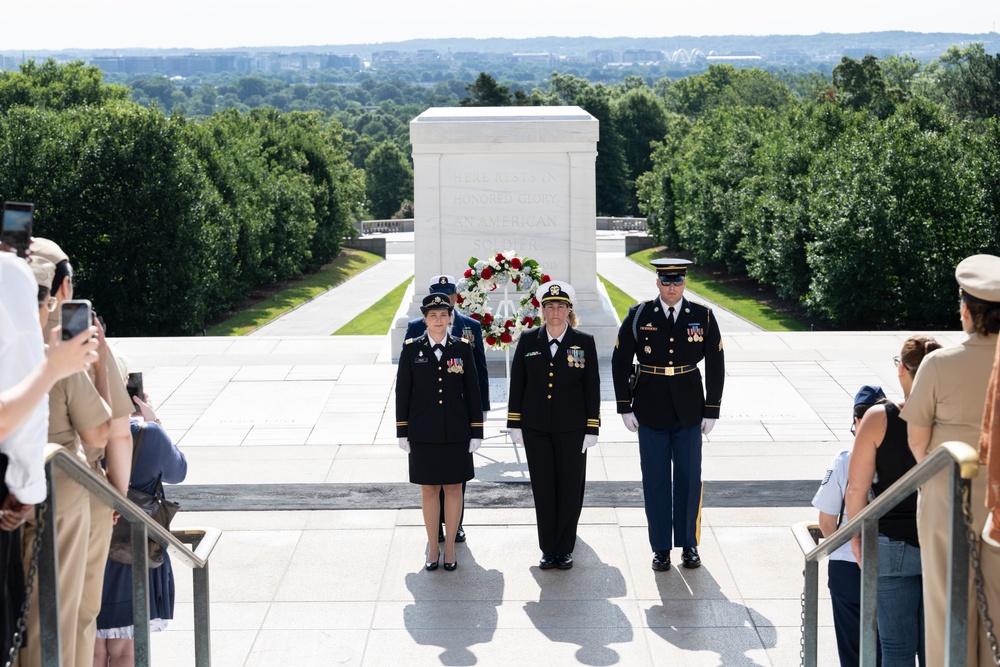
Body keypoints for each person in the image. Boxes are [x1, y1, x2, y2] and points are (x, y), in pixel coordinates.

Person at [32, 237, 136, 666]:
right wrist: (118, 494)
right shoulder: (73, 331)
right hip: (74, 487)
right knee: (75, 615)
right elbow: (112, 432)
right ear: (63, 286)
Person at [902, 254, 1000, 667]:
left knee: (947, 604)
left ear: (966, 310)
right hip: (997, 499)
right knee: (996, 606)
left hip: (947, 498)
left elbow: (918, 444)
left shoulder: (938, 364)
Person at [19, 254, 112, 667]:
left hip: (16, 490)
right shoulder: (54, 357)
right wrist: (100, 363)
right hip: (60, 489)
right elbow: (101, 432)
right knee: (57, 614)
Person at [611, 258, 725, 571]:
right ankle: (661, 547)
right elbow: (620, 360)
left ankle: (689, 544)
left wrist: (712, 408)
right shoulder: (639, 315)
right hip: (650, 407)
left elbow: (716, 364)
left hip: (689, 409)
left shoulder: (702, 316)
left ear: (684, 283)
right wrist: (624, 405)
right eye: (666, 281)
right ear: (657, 283)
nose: (671, 288)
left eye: (677, 282)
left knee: (689, 480)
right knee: (656, 481)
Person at [848, 338, 940, 667]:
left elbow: (856, 489)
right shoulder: (949, 418)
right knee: (936, 651)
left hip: (890, 545)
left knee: (896, 649)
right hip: (940, 543)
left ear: (901, 368)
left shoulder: (877, 417)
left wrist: (857, 537)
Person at [95, 358, 187, 667]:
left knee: (90, 649)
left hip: (88, 548)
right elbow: (178, 472)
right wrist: (155, 421)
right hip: (135, 551)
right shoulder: (149, 435)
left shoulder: (78, 432)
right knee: (125, 652)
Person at [506, 281, 600, 570]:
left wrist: (592, 427)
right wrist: (515, 422)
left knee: (570, 489)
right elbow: (518, 383)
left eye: (561, 306)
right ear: (542, 310)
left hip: (572, 429)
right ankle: (548, 549)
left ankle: (565, 548)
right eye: (550, 306)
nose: (555, 311)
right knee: (544, 489)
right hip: (536, 428)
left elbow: (591, 386)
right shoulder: (528, 340)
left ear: (569, 310)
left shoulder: (583, 342)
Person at [396, 293, 483, 572]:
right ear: (425, 318)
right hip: (423, 431)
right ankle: (433, 546)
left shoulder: (462, 347)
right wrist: (402, 432)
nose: (438, 320)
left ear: (449, 318)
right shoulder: (411, 349)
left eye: (443, 315)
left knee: (454, 487)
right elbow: (402, 393)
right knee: (429, 489)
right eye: (432, 316)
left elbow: (472, 390)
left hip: (456, 430)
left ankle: (449, 549)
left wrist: (476, 430)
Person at [814, 385, 885, 667]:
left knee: (853, 650)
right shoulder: (898, 458)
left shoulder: (844, 460)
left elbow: (826, 521)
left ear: (856, 421)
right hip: (889, 562)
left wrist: (843, 547)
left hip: (847, 564)